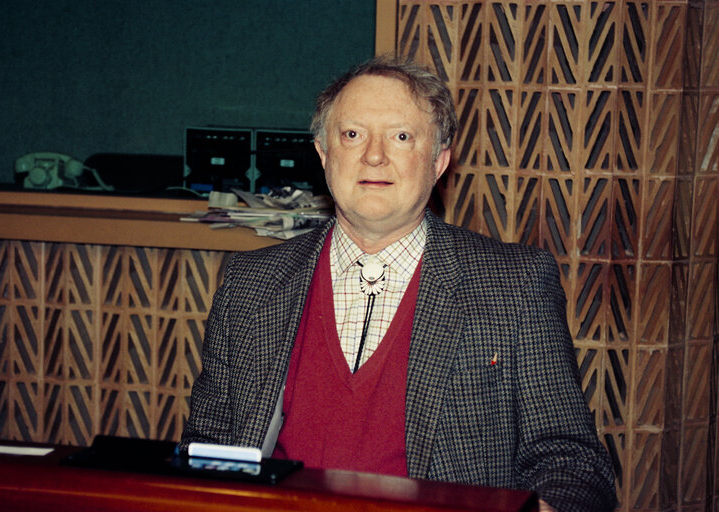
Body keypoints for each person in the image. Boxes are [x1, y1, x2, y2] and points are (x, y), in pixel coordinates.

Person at [181, 56, 617, 512]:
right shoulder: (250, 284)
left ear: (439, 160)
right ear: (324, 154)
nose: (374, 155)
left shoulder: (514, 286)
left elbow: (574, 463)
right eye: (352, 135)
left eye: (402, 137)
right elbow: (206, 448)